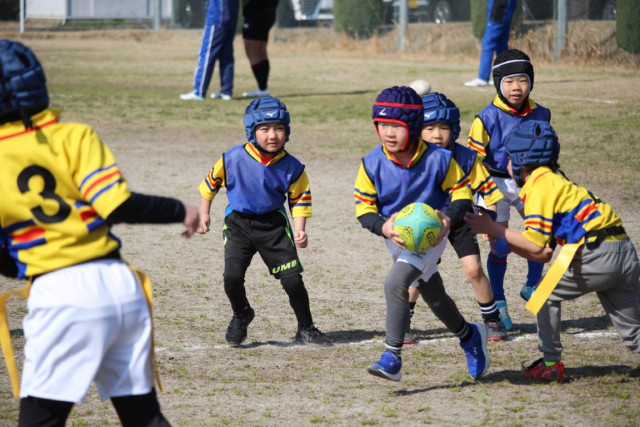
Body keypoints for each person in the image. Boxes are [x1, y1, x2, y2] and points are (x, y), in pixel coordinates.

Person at [0, 39, 200, 425]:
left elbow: (5, 259)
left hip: (60, 295)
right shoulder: (74, 135)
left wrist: (19, 262)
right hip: (118, 285)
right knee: (144, 418)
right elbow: (117, 204)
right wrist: (181, 209)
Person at [465, 120, 640, 381]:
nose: (507, 165)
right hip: (623, 250)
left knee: (543, 296)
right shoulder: (555, 179)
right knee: (633, 333)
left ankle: (550, 364)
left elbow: (536, 246)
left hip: (596, 255)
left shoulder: (539, 186)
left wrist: (494, 227)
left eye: (509, 158)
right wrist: (501, 239)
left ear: (523, 160)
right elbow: (543, 253)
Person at [354, 86, 490, 382]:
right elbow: (363, 208)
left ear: (414, 126)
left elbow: (461, 193)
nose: (389, 133)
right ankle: (469, 336)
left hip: (429, 235)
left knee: (395, 283)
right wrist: (384, 227)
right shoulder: (372, 163)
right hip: (396, 238)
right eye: (382, 125)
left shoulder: (439, 159)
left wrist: (447, 219)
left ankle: (392, 356)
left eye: (397, 126)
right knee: (434, 296)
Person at [196, 95, 332, 347]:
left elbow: (299, 199)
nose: (273, 135)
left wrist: (300, 229)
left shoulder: (293, 167)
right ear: (252, 131)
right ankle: (241, 313)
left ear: (287, 131)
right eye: (264, 129)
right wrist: (204, 214)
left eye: (279, 128)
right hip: (238, 224)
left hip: (274, 227)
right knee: (232, 277)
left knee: (292, 280)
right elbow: (209, 186)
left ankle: (306, 328)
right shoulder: (232, 158)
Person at [405, 92, 507, 344]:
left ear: (454, 129)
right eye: (429, 128)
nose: (437, 135)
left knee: (474, 269)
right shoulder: (413, 158)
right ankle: (402, 322)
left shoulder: (467, 157)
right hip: (427, 223)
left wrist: (490, 222)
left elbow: (490, 193)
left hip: (462, 220)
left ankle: (492, 319)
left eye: (443, 128)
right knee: (417, 273)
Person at [466, 48, 551, 331]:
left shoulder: (541, 113)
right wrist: (482, 199)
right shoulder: (486, 118)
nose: (517, 87)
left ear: (531, 81)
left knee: (542, 236)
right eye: (509, 81)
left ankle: (532, 285)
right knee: (499, 245)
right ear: (498, 84)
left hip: (529, 181)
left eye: (523, 80)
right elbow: (473, 162)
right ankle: (499, 302)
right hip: (495, 184)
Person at [180, 0, 239, 101]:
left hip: (217, 18)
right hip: (230, 18)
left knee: (206, 55)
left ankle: (199, 91)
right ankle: (226, 92)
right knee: (226, 56)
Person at [465, 0, 517, 87]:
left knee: (488, 42)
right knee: (501, 43)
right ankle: (504, 76)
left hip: (500, 5)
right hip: (505, 5)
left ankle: (483, 77)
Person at [241, 0, 278, 98]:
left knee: (252, 51)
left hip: (255, 13)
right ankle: (263, 88)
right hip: (268, 13)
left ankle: (262, 88)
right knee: (261, 51)